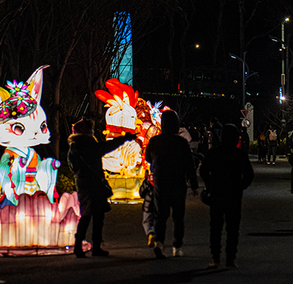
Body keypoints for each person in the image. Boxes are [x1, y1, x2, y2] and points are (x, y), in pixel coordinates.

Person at [67, 118, 135, 258]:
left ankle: (78, 245)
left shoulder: (73, 147)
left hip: (83, 183)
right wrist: (124, 139)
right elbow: (105, 147)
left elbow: (73, 166)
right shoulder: (89, 144)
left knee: (85, 215)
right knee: (98, 216)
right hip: (95, 183)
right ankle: (96, 246)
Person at [144, 110, 199, 259]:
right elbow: (190, 165)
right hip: (178, 183)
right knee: (178, 217)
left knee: (160, 216)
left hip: (160, 182)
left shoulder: (155, 141)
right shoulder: (181, 142)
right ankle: (177, 247)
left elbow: (148, 158)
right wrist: (194, 185)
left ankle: (160, 244)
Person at [199, 124, 255, 269]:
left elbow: (204, 170)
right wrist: (241, 186)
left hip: (217, 193)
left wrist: (209, 185)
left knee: (216, 228)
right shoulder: (239, 154)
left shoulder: (213, 153)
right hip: (234, 195)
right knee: (233, 228)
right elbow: (249, 174)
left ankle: (215, 257)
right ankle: (230, 259)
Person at [139, 170, 157, 248]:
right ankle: (158, 238)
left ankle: (150, 233)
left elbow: (141, 193)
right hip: (159, 203)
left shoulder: (148, 180)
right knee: (158, 220)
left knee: (147, 221)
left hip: (148, 203)